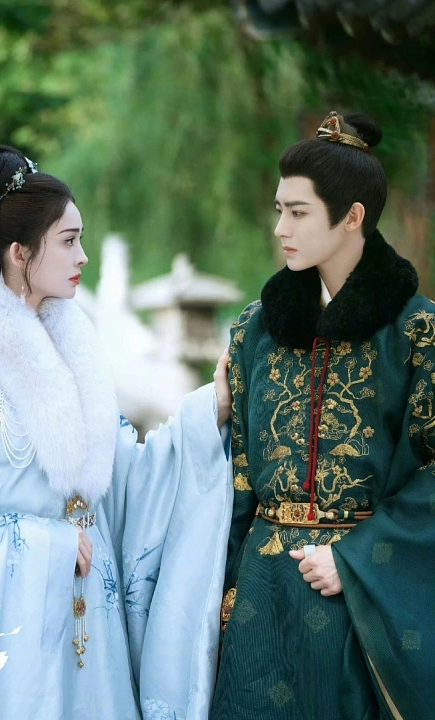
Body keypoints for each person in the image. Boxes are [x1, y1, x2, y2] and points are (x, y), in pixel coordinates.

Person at [0, 145, 233, 720]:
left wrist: (210, 413)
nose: (83, 255)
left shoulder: (78, 356)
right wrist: (47, 546)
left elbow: (127, 479)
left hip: (93, 632)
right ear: (20, 252)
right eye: (69, 241)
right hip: (12, 644)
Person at [211, 111, 435, 720]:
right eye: (278, 210)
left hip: (360, 594)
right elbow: (237, 475)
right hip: (260, 600)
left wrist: (356, 560)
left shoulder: (417, 332)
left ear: (352, 216)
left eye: (298, 212)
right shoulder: (255, 330)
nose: (280, 227)